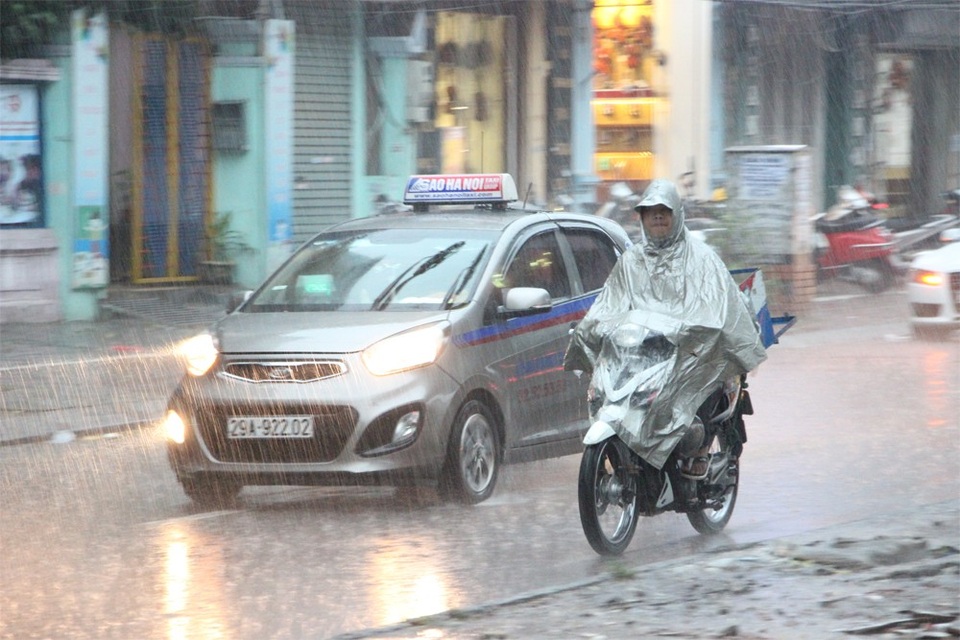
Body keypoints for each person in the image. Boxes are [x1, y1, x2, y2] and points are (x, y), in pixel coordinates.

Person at [564, 179, 767, 476]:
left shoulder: (701, 258)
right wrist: (591, 328)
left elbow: (716, 311)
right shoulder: (630, 262)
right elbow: (609, 304)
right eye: (650, 211)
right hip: (643, 352)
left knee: (700, 380)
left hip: (690, 350)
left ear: (677, 214)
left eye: (664, 210)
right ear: (641, 217)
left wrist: (692, 331)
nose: (657, 215)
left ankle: (699, 450)